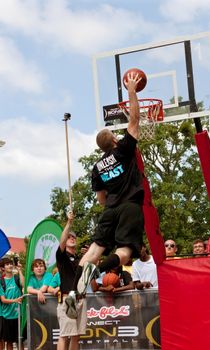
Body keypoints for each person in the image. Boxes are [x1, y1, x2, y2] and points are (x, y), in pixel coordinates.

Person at [65, 72, 145, 317]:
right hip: (130, 205)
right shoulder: (122, 150)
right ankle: (98, 271)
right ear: (113, 139)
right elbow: (134, 121)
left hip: (109, 208)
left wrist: (111, 202)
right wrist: (131, 91)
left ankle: (71, 292)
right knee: (124, 252)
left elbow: (100, 198)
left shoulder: (97, 167)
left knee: (92, 251)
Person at [55, 211, 87, 350]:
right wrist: (69, 223)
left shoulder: (81, 259)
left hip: (80, 298)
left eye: (74, 237)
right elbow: (61, 241)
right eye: (69, 237)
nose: (72, 238)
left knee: (76, 336)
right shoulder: (62, 256)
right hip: (69, 298)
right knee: (65, 334)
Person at [0, 257, 24, 350]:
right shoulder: (1, 282)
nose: (10, 265)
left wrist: (20, 270)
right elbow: (3, 299)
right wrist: (15, 300)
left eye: (10, 263)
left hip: (19, 315)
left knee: (20, 340)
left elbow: (23, 284)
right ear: (2, 268)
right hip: (6, 316)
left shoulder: (16, 278)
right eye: (7, 264)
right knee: (8, 342)